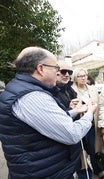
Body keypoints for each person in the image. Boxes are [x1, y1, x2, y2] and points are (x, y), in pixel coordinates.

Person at [0, 47, 97, 178]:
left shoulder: (22, 89)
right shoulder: (32, 97)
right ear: (40, 69)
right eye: (56, 68)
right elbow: (72, 134)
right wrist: (90, 113)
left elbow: (45, 121)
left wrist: (74, 111)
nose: (58, 73)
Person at [72, 68, 104, 179]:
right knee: (82, 150)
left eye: (85, 75)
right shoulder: (72, 90)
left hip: (92, 124)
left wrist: (101, 124)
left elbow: (99, 106)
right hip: (79, 124)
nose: (83, 78)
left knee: (94, 149)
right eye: (80, 76)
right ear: (75, 78)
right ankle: (84, 171)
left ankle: (97, 169)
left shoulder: (92, 89)